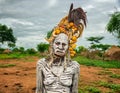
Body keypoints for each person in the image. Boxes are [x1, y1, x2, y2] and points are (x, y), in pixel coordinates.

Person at [36, 3, 87, 93]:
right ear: (52, 45)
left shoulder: (74, 66)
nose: (60, 47)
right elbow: (39, 90)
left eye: (64, 44)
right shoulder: (42, 64)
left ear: (68, 47)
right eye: (57, 43)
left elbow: (75, 91)